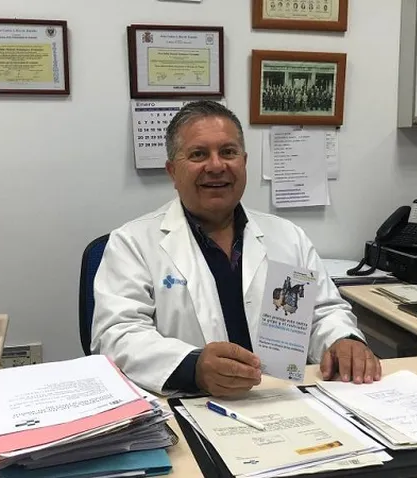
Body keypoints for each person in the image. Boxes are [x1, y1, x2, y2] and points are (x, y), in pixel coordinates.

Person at [91, 101, 381, 396]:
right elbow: (116, 335)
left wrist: (343, 340)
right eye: (198, 154)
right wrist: (193, 367)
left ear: (244, 162)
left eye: (228, 152)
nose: (216, 166)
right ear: (172, 171)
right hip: (190, 401)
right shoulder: (133, 243)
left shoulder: (288, 237)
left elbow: (323, 311)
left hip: (281, 397)